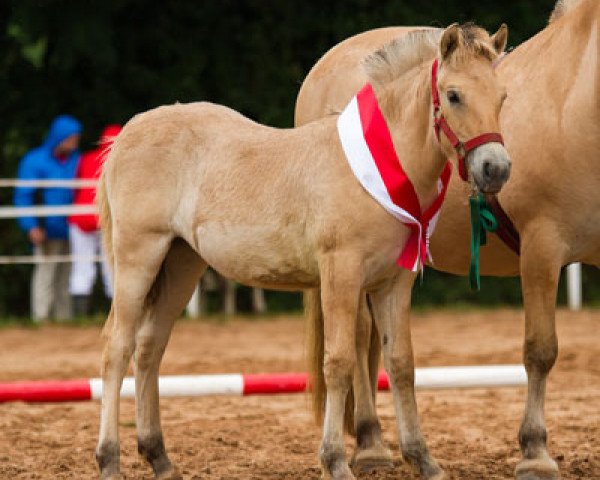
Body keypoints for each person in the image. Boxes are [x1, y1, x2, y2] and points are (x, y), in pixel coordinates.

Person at [14, 114, 82, 322]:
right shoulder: (34, 161)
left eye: (76, 138)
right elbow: (23, 196)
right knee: (45, 275)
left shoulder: (77, 160)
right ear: (59, 137)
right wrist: (31, 226)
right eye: (71, 138)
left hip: (71, 229)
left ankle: (65, 321)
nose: (74, 143)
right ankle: (40, 319)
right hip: (45, 229)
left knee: (66, 276)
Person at [68, 125, 121, 316]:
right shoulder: (121, 162)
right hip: (106, 218)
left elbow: (75, 188)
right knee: (111, 268)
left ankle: (79, 318)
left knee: (82, 267)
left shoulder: (86, 158)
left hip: (80, 218)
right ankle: (114, 317)